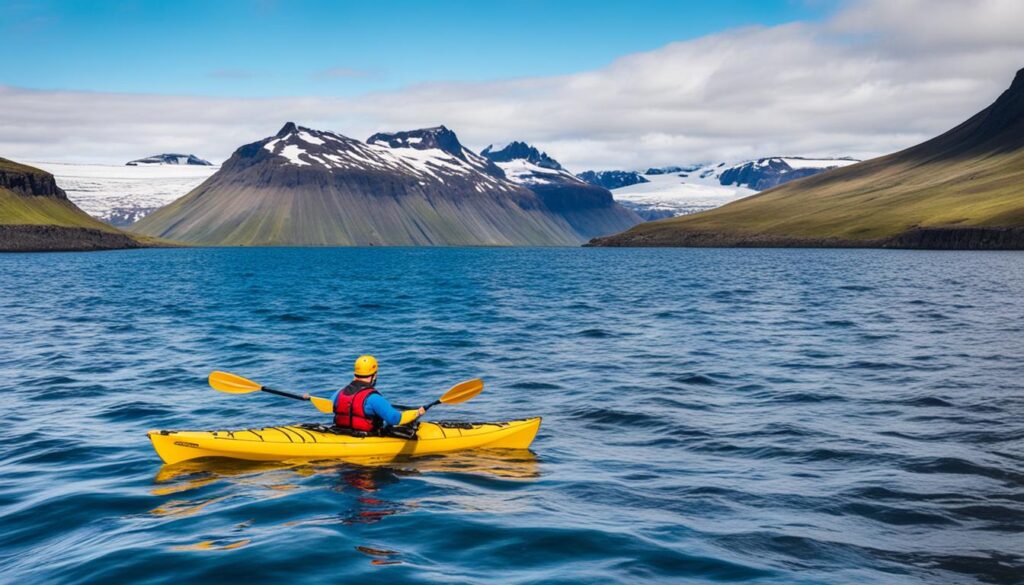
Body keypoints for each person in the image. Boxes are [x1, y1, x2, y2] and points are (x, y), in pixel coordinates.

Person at [306, 355, 424, 433]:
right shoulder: (373, 398)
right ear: (374, 376)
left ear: (355, 373)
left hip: (341, 432)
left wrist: (311, 398)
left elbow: (327, 406)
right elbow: (394, 419)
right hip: (365, 437)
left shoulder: (340, 392)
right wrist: (417, 413)